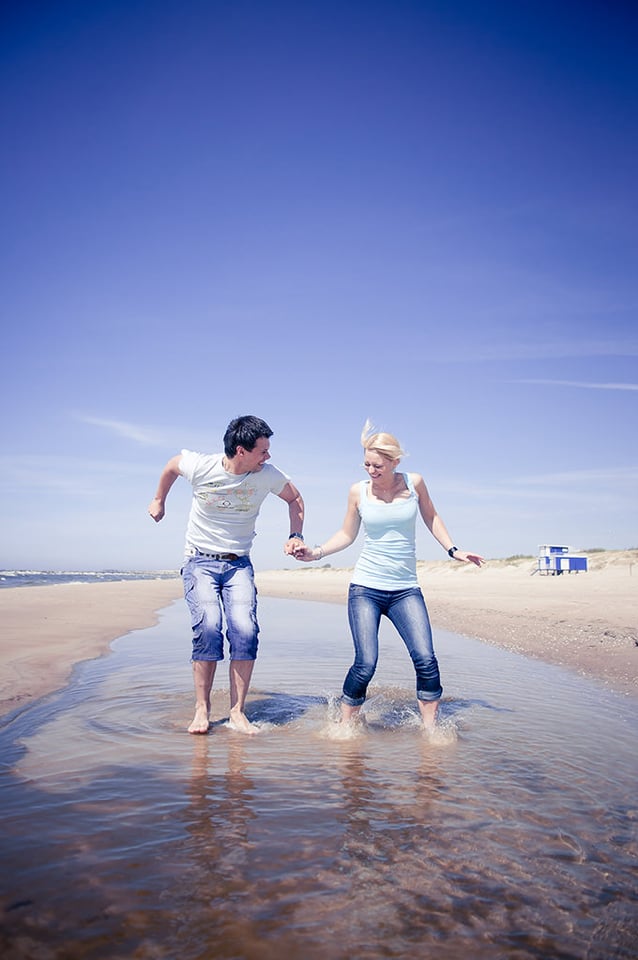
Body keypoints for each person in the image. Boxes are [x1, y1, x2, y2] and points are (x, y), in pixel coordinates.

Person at [294, 421, 484, 731]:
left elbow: (432, 517)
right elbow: (346, 533)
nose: (371, 470)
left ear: (395, 461)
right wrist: (315, 553)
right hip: (365, 588)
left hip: (405, 589)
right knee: (366, 662)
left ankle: (430, 730)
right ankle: (345, 728)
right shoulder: (358, 491)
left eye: (378, 465)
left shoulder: (415, 483)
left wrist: (453, 550)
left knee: (425, 657)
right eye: (367, 464)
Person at [148, 415, 305, 736]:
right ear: (240, 451)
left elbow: (295, 499)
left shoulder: (267, 475)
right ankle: (202, 709)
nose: (268, 457)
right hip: (199, 562)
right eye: (263, 451)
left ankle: (237, 712)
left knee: (245, 631)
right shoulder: (202, 466)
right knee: (208, 628)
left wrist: (295, 534)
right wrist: (158, 499)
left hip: (239, 565)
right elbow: (172, 465)